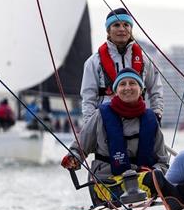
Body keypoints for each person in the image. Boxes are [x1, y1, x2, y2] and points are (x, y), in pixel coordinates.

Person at [62, 68, 168, 202]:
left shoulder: (151, 119)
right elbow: (80, 147)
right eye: (122, 84)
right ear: (116, 91)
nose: (127, 87)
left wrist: (155, 175)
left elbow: (162, 161)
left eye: (132, 83)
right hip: (107, 182)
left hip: (143, 182)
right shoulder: (100, 115)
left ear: (140, 90)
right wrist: (73, 158)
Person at [80, 8, 164, 124]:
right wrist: (89, 124)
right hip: (106, 121)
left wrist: (157, 113)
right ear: (108, 30)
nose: (122, 29)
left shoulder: (145, 60)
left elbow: (156, 90)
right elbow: (88, 96)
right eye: (116, 25)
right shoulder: (94, 62)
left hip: (138, 119)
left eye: (126, 25)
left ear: (131, 29)